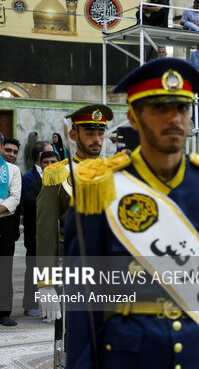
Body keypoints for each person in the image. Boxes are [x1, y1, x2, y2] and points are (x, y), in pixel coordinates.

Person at [63, 58, 199, 368]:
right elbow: (83, 300)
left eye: (182, 108)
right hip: (126, 356)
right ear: (134, 117)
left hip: (195, 355)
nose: (174, 118)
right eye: (160, 108)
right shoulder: (101, 187)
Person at [36, 104, 114, 332]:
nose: (96, 139)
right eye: (89, 133)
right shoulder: (57, 173)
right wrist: (46, 282)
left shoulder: (115, 171)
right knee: (76, 336)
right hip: (74, 266)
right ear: (73, 134)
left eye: (100, 133)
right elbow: (46, 231)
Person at [20, 141, 54, 318]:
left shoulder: (58, 176)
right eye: (48, 156)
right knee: (33, 269)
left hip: (52, 234)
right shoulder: (28, 178)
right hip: (34, 233)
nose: (50, 161)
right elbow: (27, 205)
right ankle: (30, 304)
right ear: (40, 156)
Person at [0, 135, 22, 327]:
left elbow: (14, 198)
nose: (11, 154)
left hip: (4, 224)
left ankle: (4, 312)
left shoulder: (13, 170)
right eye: (9, 150)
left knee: (4, 269)